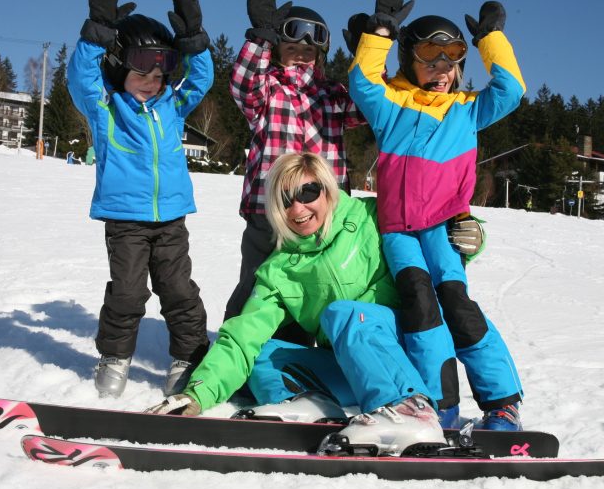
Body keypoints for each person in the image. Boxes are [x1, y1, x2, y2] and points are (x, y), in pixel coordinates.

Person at [147, 152, 453, 456]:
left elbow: (431, 222)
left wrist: (466, 232)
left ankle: (409, 408)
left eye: (308, 192)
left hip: (407, 354)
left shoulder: (369, 216)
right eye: (285, 199)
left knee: (344, 314)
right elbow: (242, 337)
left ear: (327, 188)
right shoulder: (279, 270)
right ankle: (306, 402)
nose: (298, 208)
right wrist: (197, 394)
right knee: (263, 352)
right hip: (353, 368)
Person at [344, 0, 525, 430]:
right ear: (409, 60)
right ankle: (439, 405)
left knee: (457, 307)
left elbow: (511, 90)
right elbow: (363, 80)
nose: (443, 69)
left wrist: (490, 42)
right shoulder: (391, 105)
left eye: (452, 60)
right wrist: (381, 31)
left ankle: (502, 403)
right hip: (399, 231)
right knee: (420, 309)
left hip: (444, 229)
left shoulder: (468, 110)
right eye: (431, 57)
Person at [67, 0, 213, 399]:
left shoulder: (172, 105)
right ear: (118, 67)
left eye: (162, 69)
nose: (153, 80)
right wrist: (96, 34)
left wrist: (193, 42)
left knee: (179, 291)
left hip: (171, 218)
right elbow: (81, 79)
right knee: (128, 294)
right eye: (142, 70)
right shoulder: (105, 109)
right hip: (126, 221)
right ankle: (115, 356)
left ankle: (189, 356)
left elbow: (200, 81)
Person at [222, 0, 367, 345]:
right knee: (256, 286)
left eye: (309, 49)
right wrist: (260, 38)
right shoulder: (267, 90)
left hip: (321, 215)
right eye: (291, 48)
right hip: (268, 212)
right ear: (276, 52)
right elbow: (242, 84)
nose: (301, 55)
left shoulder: (334, 97)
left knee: (311, 289)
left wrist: (368, 57)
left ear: (320, 55)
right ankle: (242, 353)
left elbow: (372, 108)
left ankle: (305, 359)